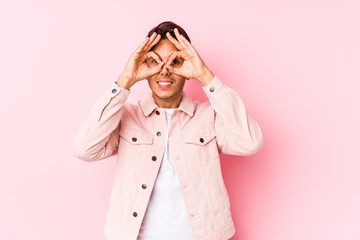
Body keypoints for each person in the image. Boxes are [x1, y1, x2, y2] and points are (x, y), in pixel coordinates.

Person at [73, 21, 264, 240]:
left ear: (188, 66)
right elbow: (85, 149)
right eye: (154, 61)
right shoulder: (126, 116)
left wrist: (204, 76)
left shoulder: (209, 116)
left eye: (175, 61)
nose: (164, 70)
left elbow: (251, 142)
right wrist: (126, 80)